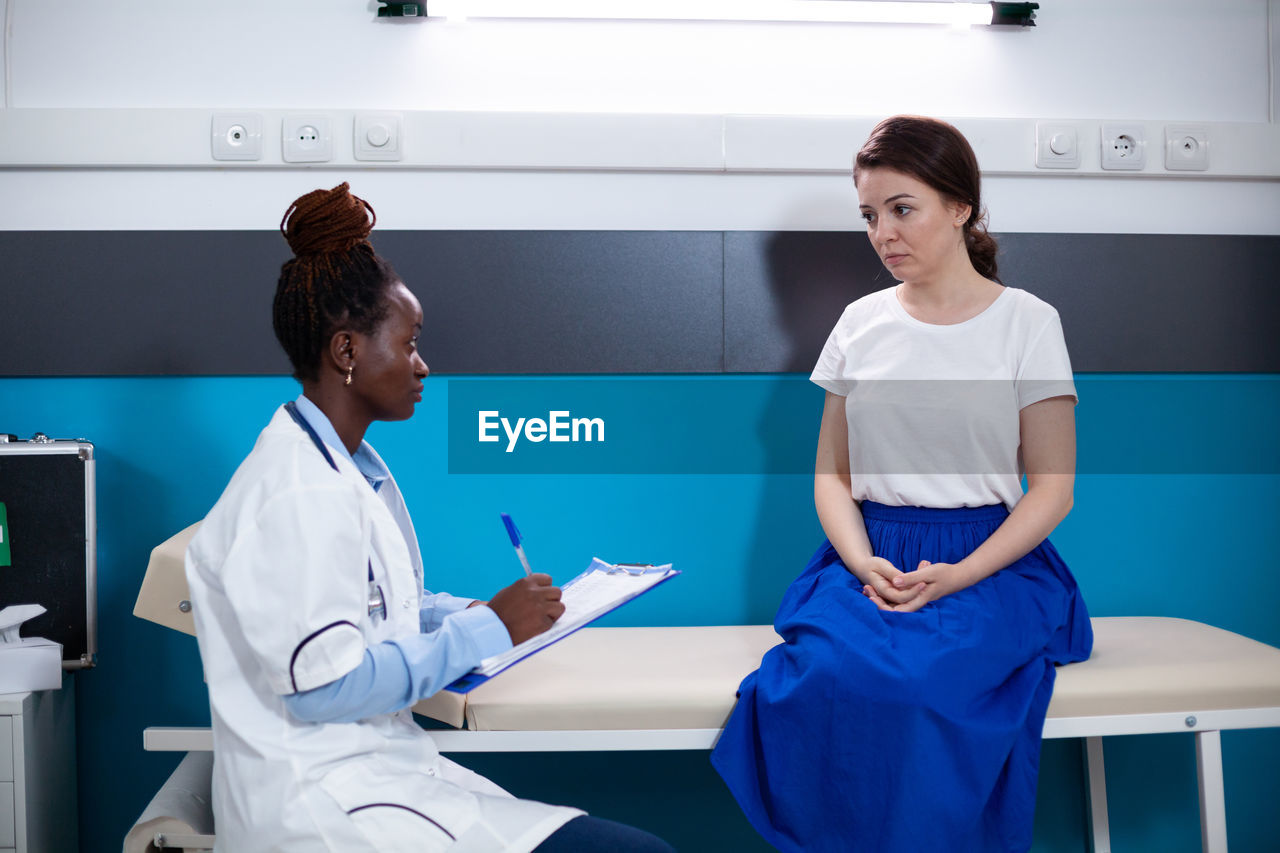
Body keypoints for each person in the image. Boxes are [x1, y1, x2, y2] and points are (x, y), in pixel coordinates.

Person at [184, 183, 675, 853]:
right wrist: (488, 627)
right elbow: (321, 689)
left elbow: (376, 610)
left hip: (380, 772)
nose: (422, 365)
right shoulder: (295, 491)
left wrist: (455, 611)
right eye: (409, 343)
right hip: (320, 806)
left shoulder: (351, 469)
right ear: (347, 351)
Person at [710, 116, 1093, 852]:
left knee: (921, 689)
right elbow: (831, 476)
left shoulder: (1027, 323)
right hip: (872, 551)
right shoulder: (859, 323)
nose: (883, 232)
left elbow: (1052, 488)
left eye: (902, 209)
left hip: (991, 560)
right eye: (869, 215)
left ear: (960, 207)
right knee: (819, 677)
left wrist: (960, 574)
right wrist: (860, 561)